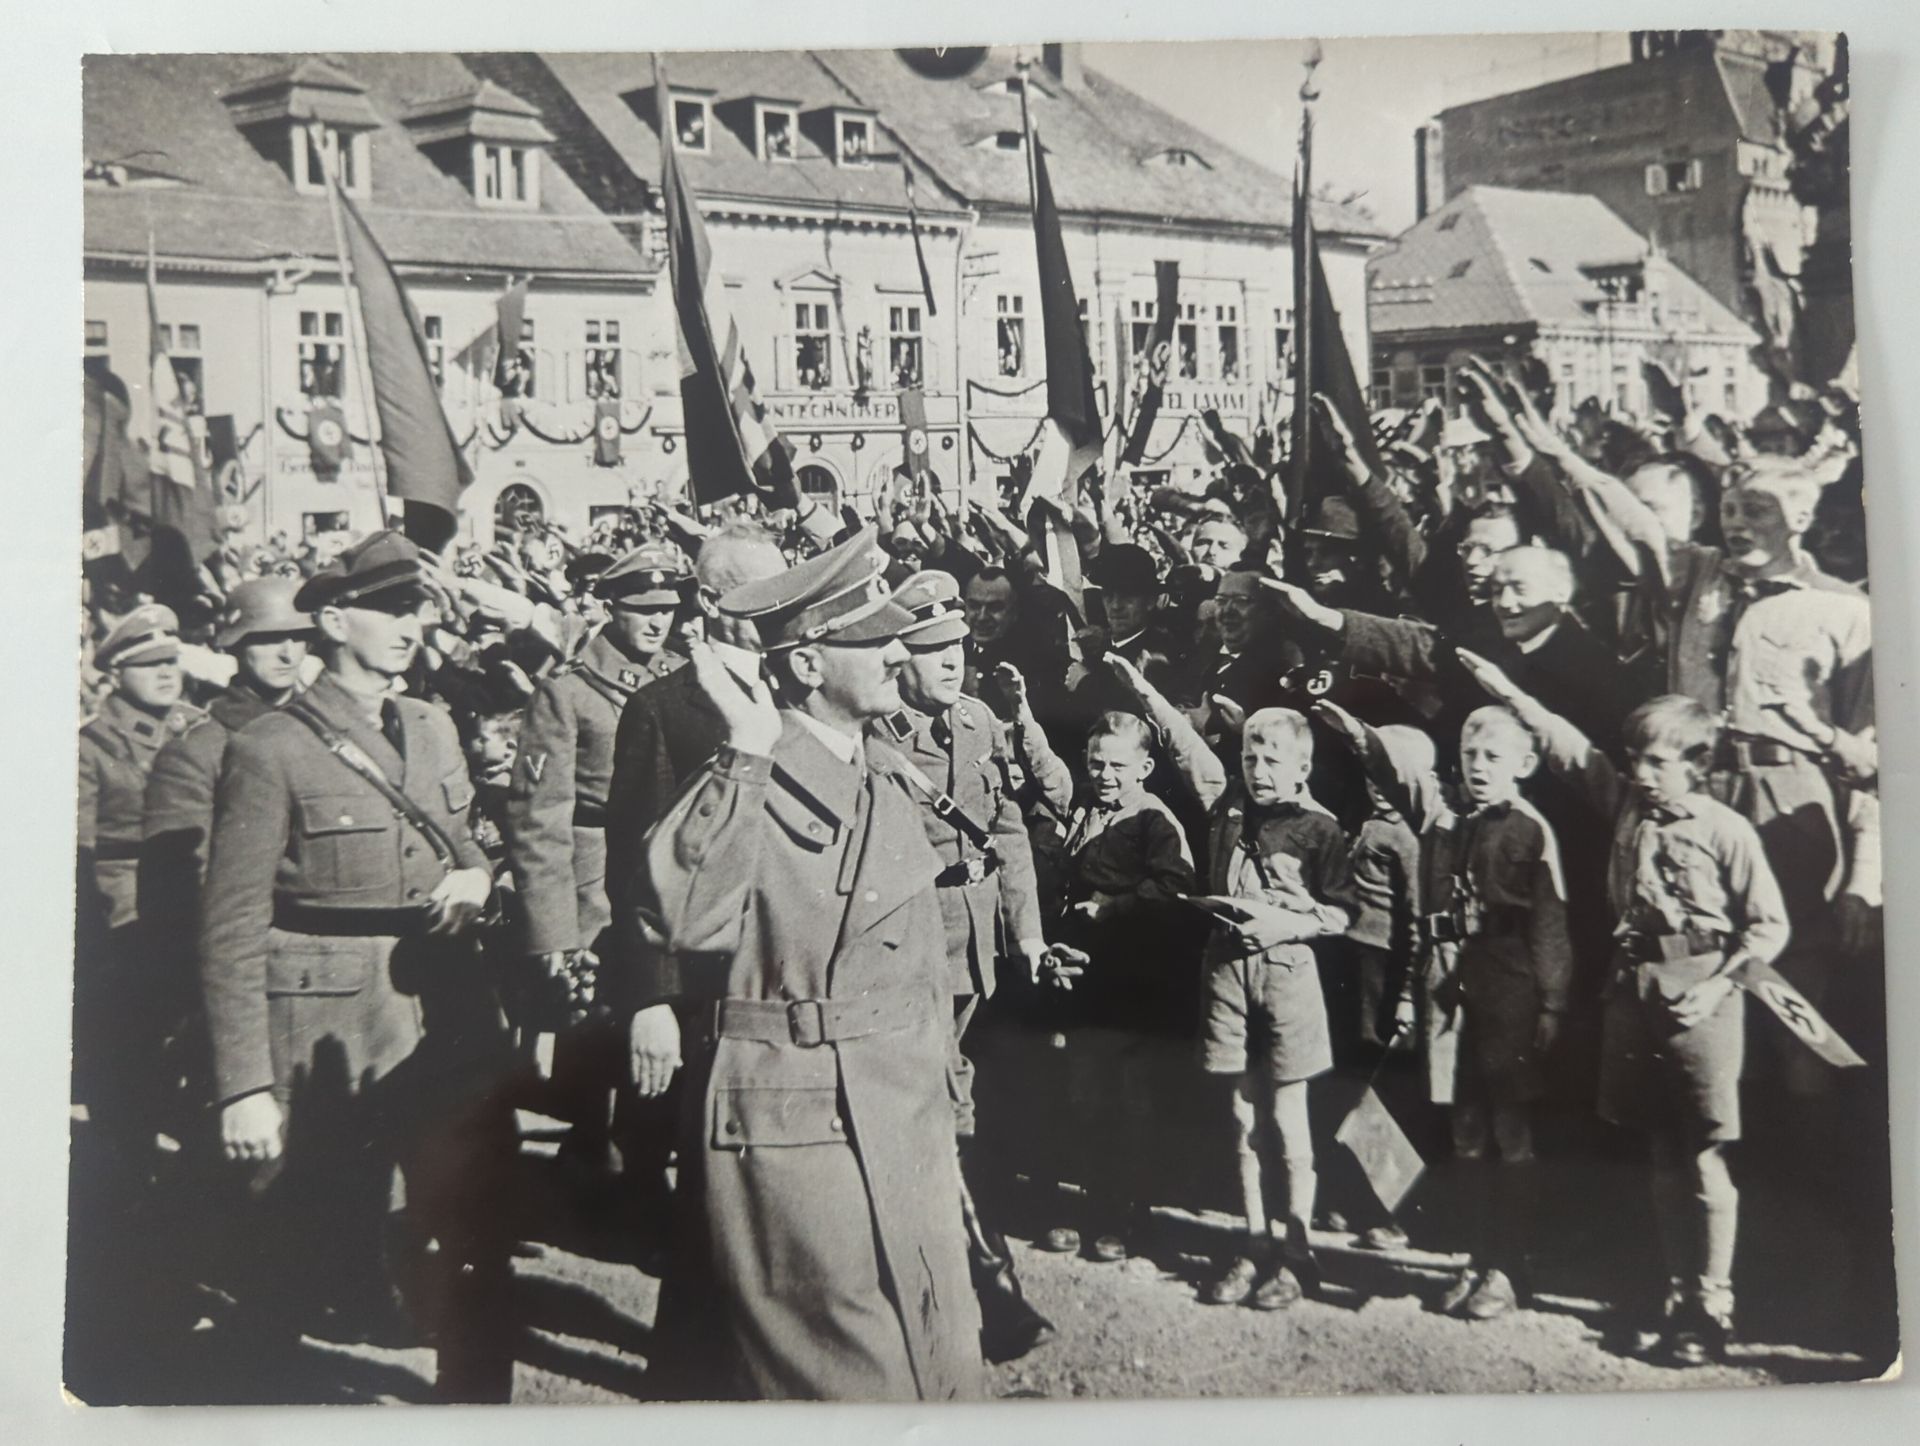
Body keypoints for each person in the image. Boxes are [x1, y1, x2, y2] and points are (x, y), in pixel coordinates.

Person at [631, 525, 983, 1401]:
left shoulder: (885, 774)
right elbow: (681, 913)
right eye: (874, 637)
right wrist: (746, 746)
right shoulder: (746, 772)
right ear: (806, 665)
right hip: (795, 1122)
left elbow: (921, 966)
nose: (902, 651)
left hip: (899, 1115)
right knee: (841, 1385)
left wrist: (949, 1089)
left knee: (932, 1365)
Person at [197, 531, 515, 1400]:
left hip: (445, 1007)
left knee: (476, 1214)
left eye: (416, 608)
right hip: (327, 1020)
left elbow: (471, 841)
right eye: (388, 609)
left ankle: (479, 1405)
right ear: (334, 619)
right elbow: (229, 925)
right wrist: (242, 1085)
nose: (410, 625)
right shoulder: (271, 746)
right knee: (302, 1239)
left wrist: (477, 877)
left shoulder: (434, 725)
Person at [1462, 664, 1788, 1365]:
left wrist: (1718, 987)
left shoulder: (1728, 831)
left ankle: (1714, 1303)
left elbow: (1767, 929)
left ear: (1698, 765)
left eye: (1658, 762)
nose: (1640, 772)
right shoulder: (1629, 809)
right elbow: (1570, 749)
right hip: (1633, 988)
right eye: (1636, 758)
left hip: (1703, 990)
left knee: (1703, 1154)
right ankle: (1677, 1296)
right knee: (1660, 1154)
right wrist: (1509, 692)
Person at [1317, 699, 1570, 1322]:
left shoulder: (1532, 828)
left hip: (1509, 987)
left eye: (1493, 757)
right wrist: (1359, 731)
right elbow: (1399, 771)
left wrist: (1554, 1002)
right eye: (1470, 756)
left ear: (1524, 763)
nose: (1479, 767)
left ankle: (1512, 1268)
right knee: (1465, 1131)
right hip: (1449, 990)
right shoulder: (1443, 820)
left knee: (1510, 1130)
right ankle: (1478, 1260)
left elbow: (1551, 923)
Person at [881, 568, 1057, 1362]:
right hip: (913, 950)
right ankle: (986, 1281)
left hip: (981, 948)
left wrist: (1027, 932)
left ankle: (961, 1269)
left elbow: (1009, 830)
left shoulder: (980, 722)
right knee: (941, 1107)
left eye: (957, 645)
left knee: (967, 1108)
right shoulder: (877, 740)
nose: (953, 660)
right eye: (932, 648)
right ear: (898, 656)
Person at [503, 539, 689, 1185]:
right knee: (599, 1034)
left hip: (669, 876)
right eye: (642, 608)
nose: (657, 621)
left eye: (667, 607)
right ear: (612, 608)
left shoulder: (684, 676)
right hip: (596, 880)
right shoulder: (568, 693)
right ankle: (593, 1159)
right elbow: (538, 819)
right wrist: (553, 932)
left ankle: (638, 1168)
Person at [1192, 708, 1357, 1310]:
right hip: (1229, 975)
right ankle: (1254, 1239)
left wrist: (1288, 921)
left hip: (1289, 977)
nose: (1258, 771)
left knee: (1290, 1117)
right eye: (1250, 759)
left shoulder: (1321, 829)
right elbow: (1189, 753)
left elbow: (1342, 914)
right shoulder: (1229, 816)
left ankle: (1296, 1251)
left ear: (1303, 768)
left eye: (1272, 761)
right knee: (1242, 1115)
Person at [76, 604, 208, 1134]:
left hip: (197, 891)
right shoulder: (91, 746)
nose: (164, 673)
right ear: (115, 672)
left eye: (170, 661)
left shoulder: (198, 728)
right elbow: (79, 855)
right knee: (134, 1052)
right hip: (127, 910)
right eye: (148, 662)